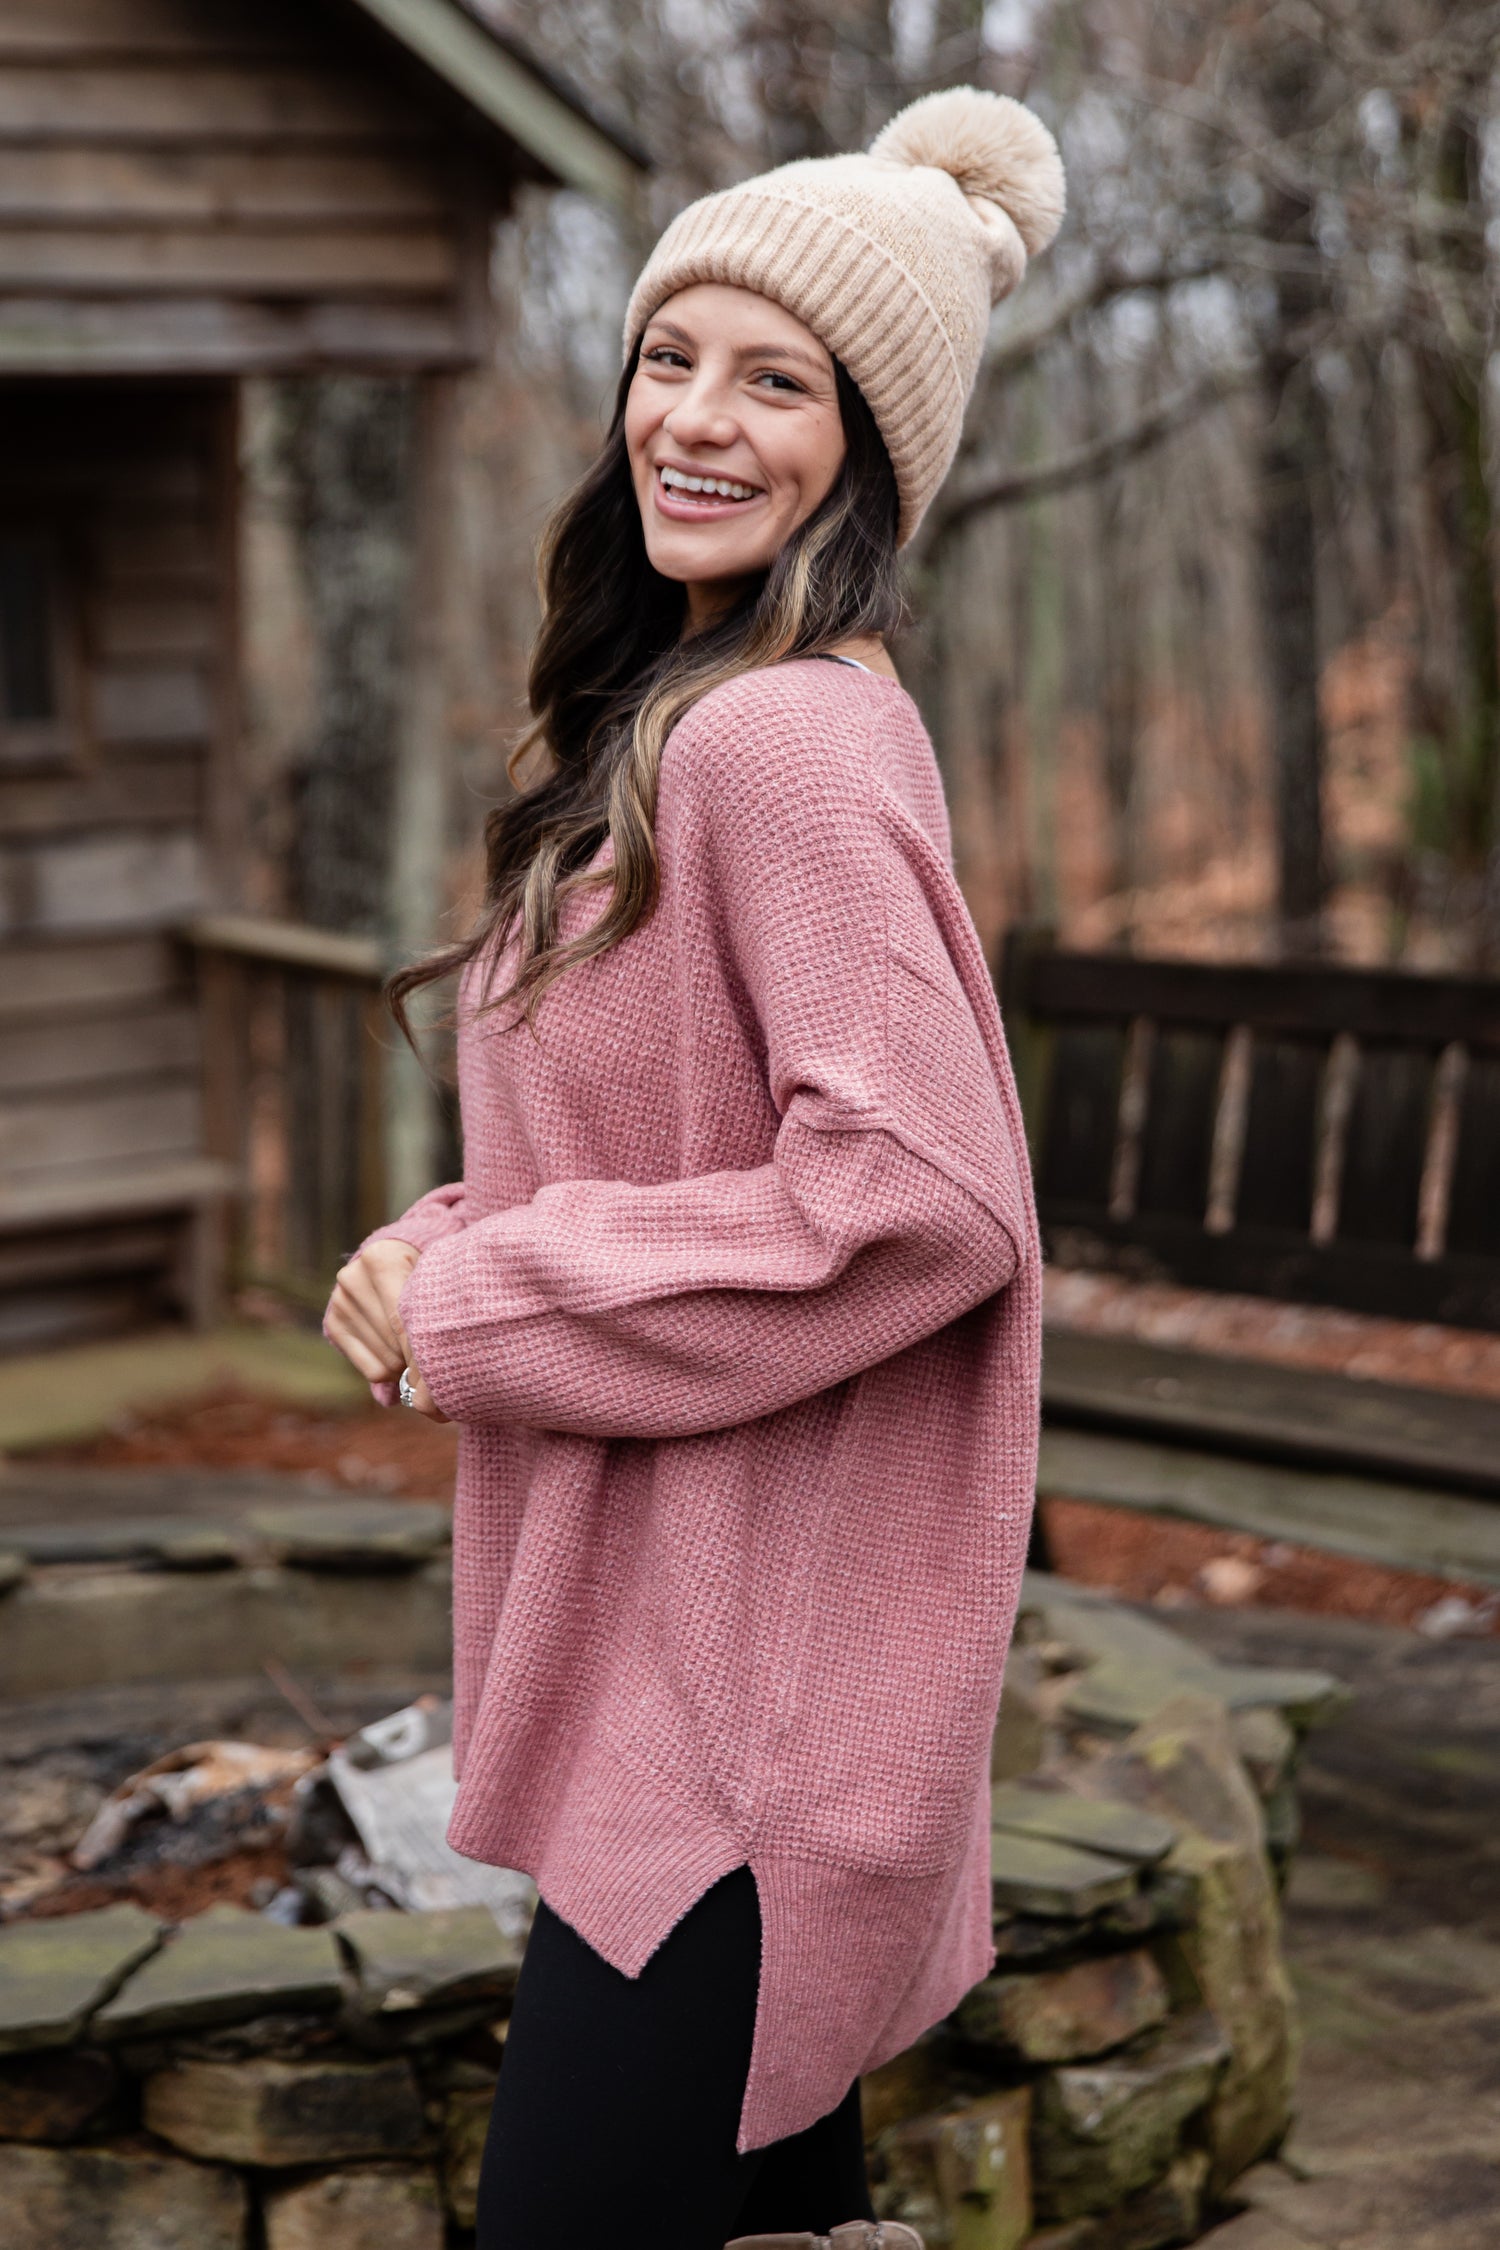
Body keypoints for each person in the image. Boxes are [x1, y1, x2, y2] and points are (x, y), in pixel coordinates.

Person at [323, 84, 1064, 2250]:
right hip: (690, 1660)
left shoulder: (778, 743)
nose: (698, 419)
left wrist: (492, 1299)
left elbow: (915, 1196)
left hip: (742, 1708)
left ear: (873, 445)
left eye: (779, 380)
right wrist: (442, 1240)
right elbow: (678, 1148)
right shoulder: (690, 721)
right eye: (672, 356)